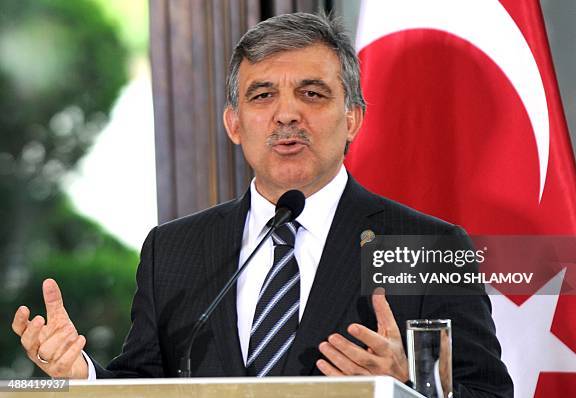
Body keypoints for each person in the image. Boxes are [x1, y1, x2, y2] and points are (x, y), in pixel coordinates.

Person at [12, 12, 513, 397]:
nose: (287, 114)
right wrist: (80, 375)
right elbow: (144, 382)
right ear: (234, 124)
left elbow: (488, 392)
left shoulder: (427, 247)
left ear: (354, 118)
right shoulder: (174, 248)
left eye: (313, 94)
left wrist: (409, 386)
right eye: (263, 95)